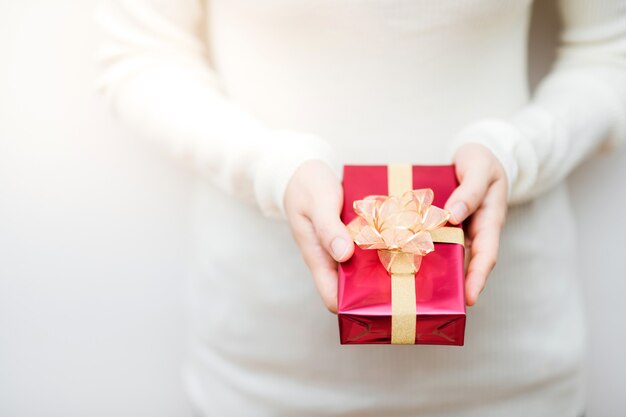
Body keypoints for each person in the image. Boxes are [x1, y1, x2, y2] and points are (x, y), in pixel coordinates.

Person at [95, 0, 626, 415]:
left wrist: (517, 152)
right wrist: (271, 169)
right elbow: (141, 55)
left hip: (513, 375)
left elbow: (610, 51)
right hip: (266, 376)